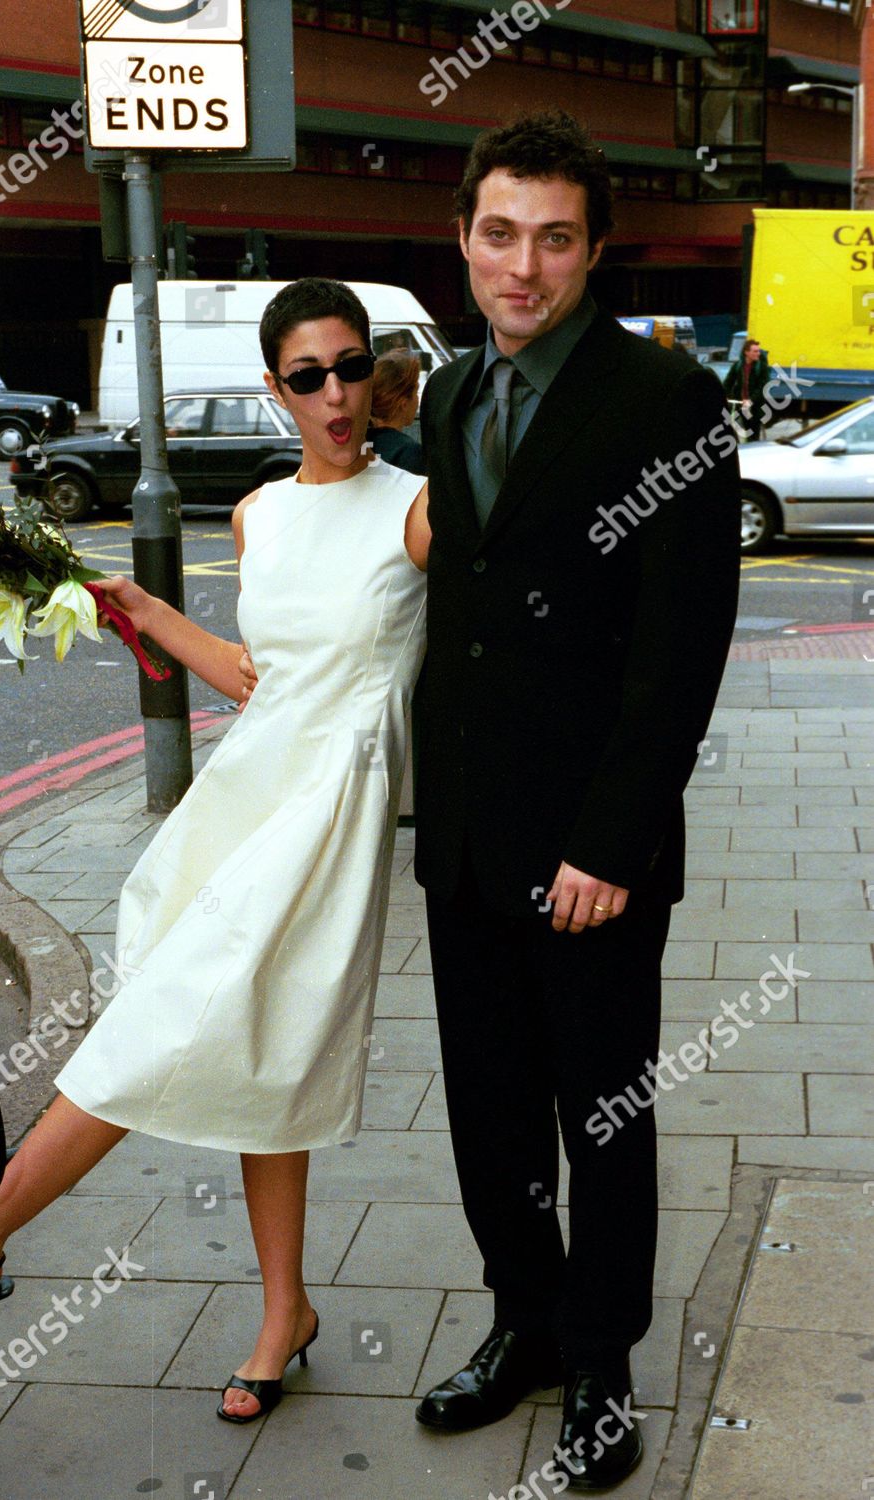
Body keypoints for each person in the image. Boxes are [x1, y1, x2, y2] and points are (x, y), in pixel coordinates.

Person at [0, 281, 433, 1432]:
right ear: (276, 392)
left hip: (332, 812)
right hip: (249, 793)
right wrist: (133, 603)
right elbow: (247, 677)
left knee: (164, 1019)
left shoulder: (421, 510)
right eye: (306, 376)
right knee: (260, 1054)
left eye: (349, 368)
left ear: (377, 377)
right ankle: (287, 1316)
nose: (334, 395)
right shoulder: (258, 516)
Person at [407, 112, 741, 1490]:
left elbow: (681, 649)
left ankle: (600, 1361)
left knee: (600, 1113)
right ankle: (523, 1325)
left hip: (589, 852)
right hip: (467, 837)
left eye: (552, 238)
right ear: (466, 241)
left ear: (593, 249)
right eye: (498, 234)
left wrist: (608, 839)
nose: (521, 266)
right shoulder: (441, 397)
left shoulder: (660, 405)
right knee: (488, 1107)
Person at [366, 352, 425, 474]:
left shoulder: (359, 444)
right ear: (403, 403)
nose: (418, 399)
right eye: (416, 392)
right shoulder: (409, 453)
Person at [723, 336, 769, 441]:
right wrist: (725, 395)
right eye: (755, 351)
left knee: (754, 434)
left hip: (756, 407)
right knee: (742, 432)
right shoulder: (738, 366)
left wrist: (751, 400)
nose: (758, 353)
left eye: (758, 351)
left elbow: (763, 387)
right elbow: (728, 382)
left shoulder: (761, 367)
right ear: (746, 352)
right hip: (742, 405)